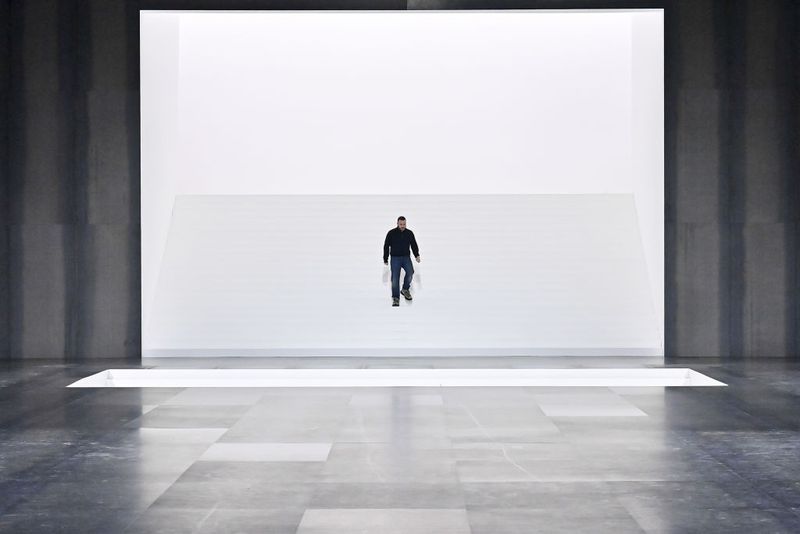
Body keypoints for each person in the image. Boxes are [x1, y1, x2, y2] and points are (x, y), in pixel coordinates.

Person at [383, 216, 421, 307]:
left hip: (406, 257)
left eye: (404, 224)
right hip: (395, 258)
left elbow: (414, 244)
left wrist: (417, 255)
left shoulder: (409, 233)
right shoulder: (391, 233)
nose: (402, 226)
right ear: (397, 223)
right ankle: (396, 298)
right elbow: (386, 246)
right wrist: (385, 258)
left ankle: (405, 289)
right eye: (401, 224)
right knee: (395, 278)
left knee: (410, 272)